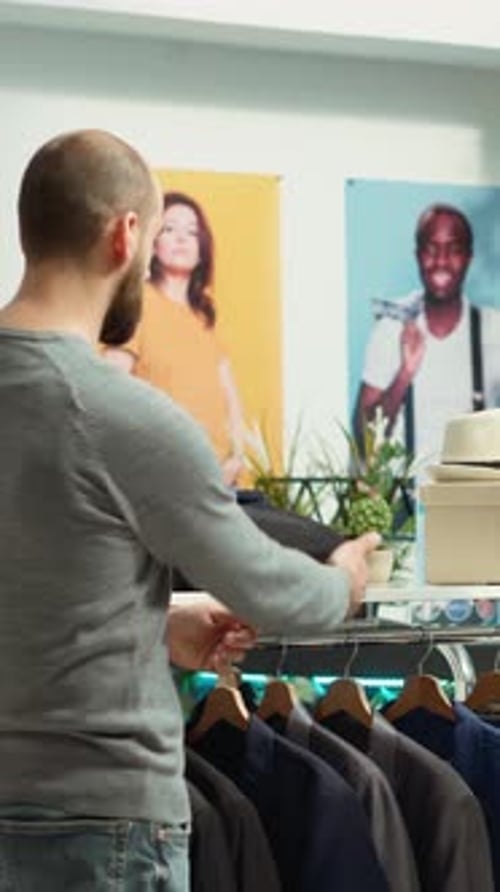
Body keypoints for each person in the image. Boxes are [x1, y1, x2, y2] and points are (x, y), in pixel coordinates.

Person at [0, 129, 380, 892]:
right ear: (126, 233)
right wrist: (344, 575)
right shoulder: (123, 415)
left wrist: (154, 621)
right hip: (101, 824)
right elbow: (275, 593)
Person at [104, 190, 247, 485]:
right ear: (153, 243)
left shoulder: (204, 315)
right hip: (165, 482)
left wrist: (237, 459)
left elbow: (231, 400)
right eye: (169, 229)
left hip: (220, 482)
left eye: (192, 232)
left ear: (202, 247)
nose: (182, 238)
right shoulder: (137, 302)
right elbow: (106, 388)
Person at [353, 203, 500, 462]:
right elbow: (363, 439)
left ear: (469, 257)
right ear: (418, 255)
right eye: (431, 249)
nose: (441, 261)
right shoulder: (391, 328)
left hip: (471, 499)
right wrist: (404, 375)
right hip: (402, 500)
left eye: (453, 250)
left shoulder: (493, 330)